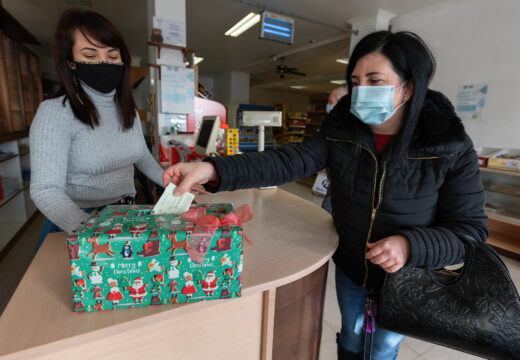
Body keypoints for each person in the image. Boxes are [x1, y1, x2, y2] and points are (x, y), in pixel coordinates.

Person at [162, 31, 488, 359]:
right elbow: (288, 161)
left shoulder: (448, 147)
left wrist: (409, 246)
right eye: (356, 82)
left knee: (384, 347)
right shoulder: (342, 131)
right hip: (351, 267)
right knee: (350, 334)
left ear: (410, 86)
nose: (362, 93)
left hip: (409, 278)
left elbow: (470, 232)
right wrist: (212, 170)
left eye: (376, 81)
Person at [30, 9, 164, 251]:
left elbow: (141, 156)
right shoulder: (54, 112)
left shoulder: (127, 108)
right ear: (70, 61)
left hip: (127, 214)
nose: (103, 63)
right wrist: (91, 233)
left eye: (113, 56)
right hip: (77, 222)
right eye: (89, 55)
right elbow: (45, 189)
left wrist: (171, 180)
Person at [322, 86, 348, 212]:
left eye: (330, 102)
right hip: (333, 182)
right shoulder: (332, 124)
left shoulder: (348, 128)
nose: (327, 105)